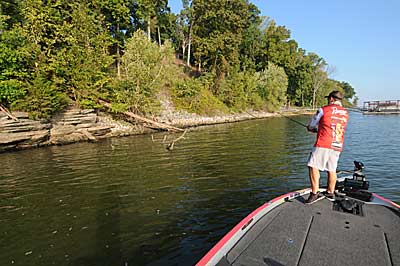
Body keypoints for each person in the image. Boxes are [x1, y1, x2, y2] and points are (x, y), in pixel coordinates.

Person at [305, 90, 349, 204]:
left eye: (328, 99)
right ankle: (330, 192)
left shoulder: (323, 110)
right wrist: (320, 130)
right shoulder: (345, 113)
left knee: (313, 166)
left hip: (323, 144)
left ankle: (314, 193)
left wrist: (311, 129)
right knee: (332, 169)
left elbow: (312, 125)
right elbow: (333, 127)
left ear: (331, 99)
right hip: (337, 145)